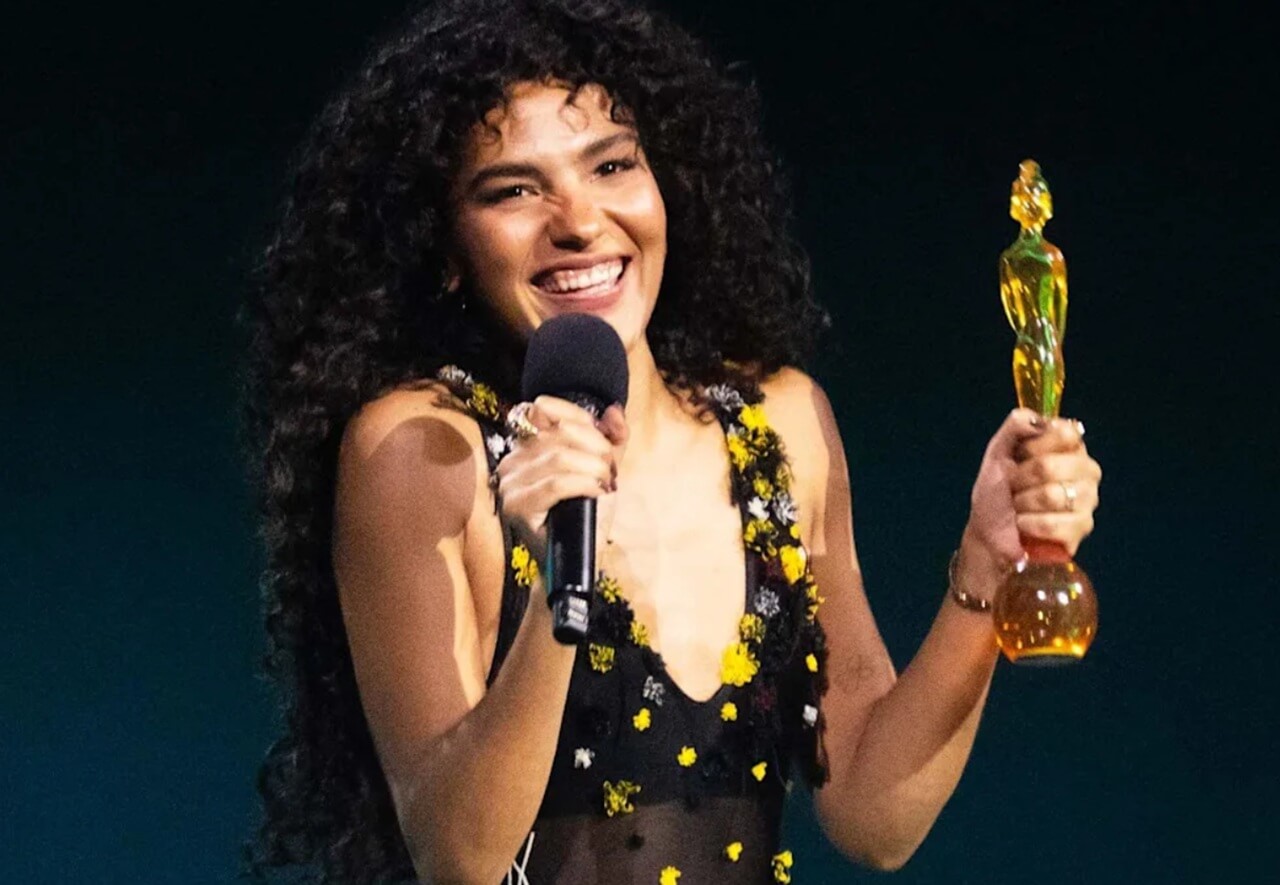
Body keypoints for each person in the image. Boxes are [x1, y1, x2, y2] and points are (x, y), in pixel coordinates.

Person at [240, 0, 1102, 882]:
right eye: (512, 189)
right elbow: (458, 854)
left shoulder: (783, 426)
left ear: (667, 187)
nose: (579, 220)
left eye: (611, 165)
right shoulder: (424, 453)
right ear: (446, 245)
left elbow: (874, 818)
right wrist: (554, 596)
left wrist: (989, 563)